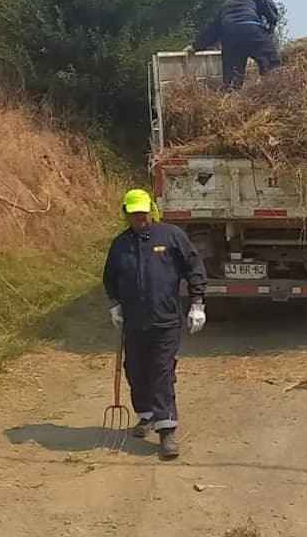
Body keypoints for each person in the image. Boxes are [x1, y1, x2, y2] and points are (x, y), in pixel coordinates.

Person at [102, 189, 207, 459]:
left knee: (161, 371)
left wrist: (197, 302)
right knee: (135, 370)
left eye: (144, 213)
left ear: (152, 211)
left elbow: (194, 266)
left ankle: (167, 428)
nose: (140, 219)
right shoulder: (120, 244)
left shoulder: (171, 236)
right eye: (134, 215)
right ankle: (146, 415)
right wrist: (115, 304)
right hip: (135, 322)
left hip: (166, 320)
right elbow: (110, 277)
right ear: (126, 215)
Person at [187, 0, 281, 89]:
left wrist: (195, 46)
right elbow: (267, 3)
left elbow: (212, 32)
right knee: (272, 67)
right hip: (251, 29)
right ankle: (275, 93)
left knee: (232, 82)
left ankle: (232, 100)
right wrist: (272, 22)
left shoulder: (224, 7)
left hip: (230, 36)